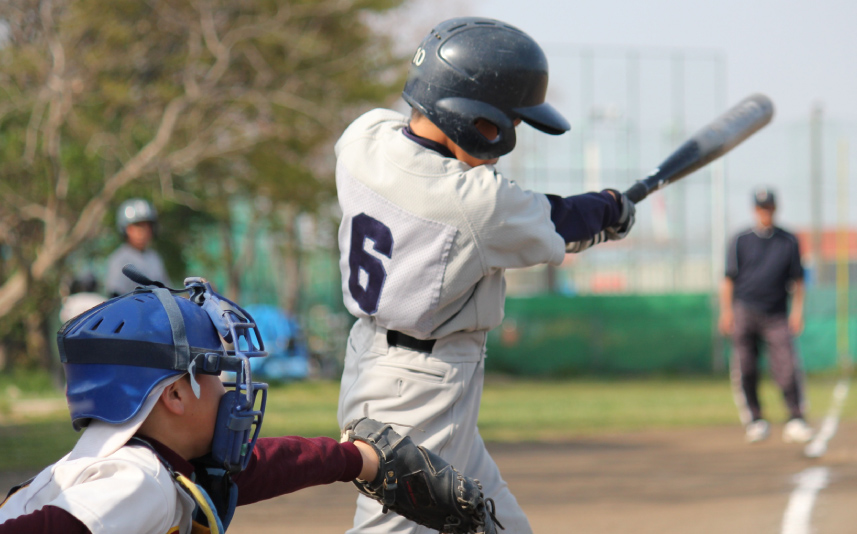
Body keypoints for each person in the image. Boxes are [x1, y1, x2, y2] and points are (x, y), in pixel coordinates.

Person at [334, 17, 635, 534]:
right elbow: (560, 221)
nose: (505, 136)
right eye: (502, 123)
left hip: (373, 359)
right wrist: (612, 208)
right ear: (469, 116)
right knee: (390, 527)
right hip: (420, 392)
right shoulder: (473, 202)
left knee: (494, 521)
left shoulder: (363, 138)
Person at [0, 272, 389, 534]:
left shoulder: (146, 460)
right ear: (174, 395)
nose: (226, 388)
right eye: (214, 371)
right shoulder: (138, 480)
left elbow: (266, 466)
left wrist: (355, 459)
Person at [718, 187, 812, 444]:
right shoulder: (740, 240)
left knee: (787, 365)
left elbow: (798, 281)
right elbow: (728, 280)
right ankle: (755, 419)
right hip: (745, 310)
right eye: (761, 208)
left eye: (769, 207)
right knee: (746, 367)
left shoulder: (789, 241)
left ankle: (796, 417)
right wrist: (726, 311)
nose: (765, 212)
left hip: (777, 313)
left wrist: (797, 312)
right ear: (754, 210)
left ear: (775, 208)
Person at [104, 198, 171, 297]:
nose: (143, 231)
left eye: (147, 225)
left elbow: (168, 292)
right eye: (138, 225)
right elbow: (115, 297)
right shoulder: (120, 259)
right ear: (127, 229)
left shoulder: (154, 257)